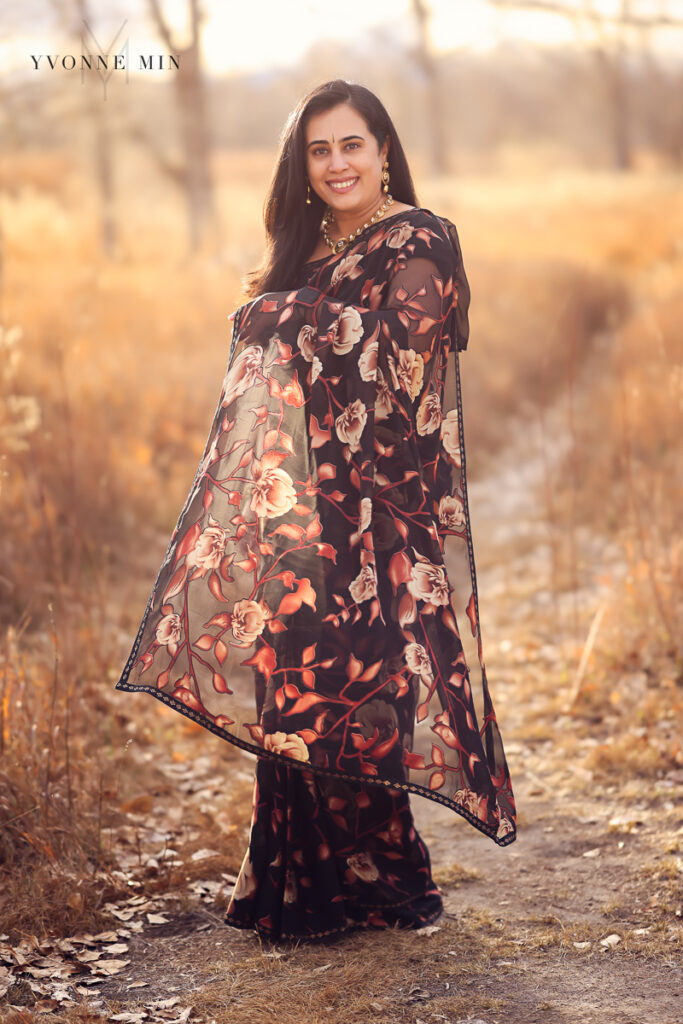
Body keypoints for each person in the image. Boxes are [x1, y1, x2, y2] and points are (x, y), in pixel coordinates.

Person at [115, 79, 517, 943]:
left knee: (359, 692)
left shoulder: (418, 239)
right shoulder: (302, 250)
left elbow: (404, 366)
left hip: (378, 514)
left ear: (382, 151)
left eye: (352, 145)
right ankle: (300, 889)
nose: (338, 164)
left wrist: (294, 316)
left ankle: (382, 885)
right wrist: (286, 308)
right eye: (319, 149)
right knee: (293, 688)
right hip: (298, 514)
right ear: (301, 165)